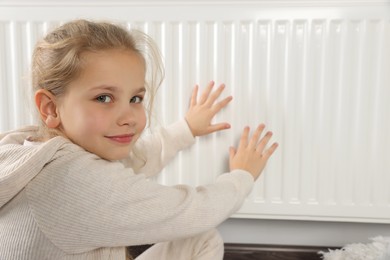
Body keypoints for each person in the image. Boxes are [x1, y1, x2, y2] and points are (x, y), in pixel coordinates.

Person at [0, 19, 278, 260]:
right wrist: (242, 176)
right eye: (104, 98)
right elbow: (192, 210)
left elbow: (132, 164)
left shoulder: (33, 150)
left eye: (136, 98)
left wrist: (186, 129)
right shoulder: (71, 182)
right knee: (201, 235)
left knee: (200, 239)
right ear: (50, 108)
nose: (129, 117)